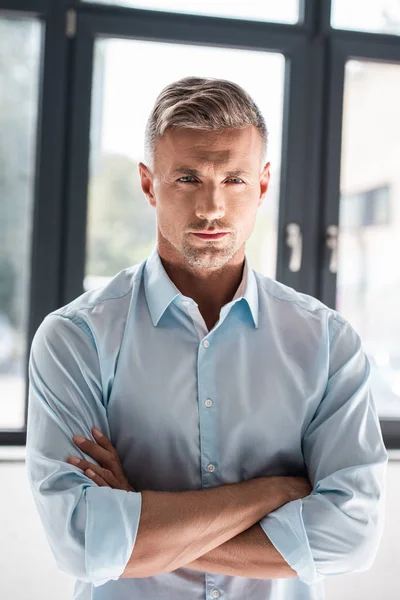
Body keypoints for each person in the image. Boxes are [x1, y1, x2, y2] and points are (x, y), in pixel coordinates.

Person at [26, 77, 387, 600]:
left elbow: (351, 537)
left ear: (263, 184)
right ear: (150, 184)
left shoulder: (328, 344)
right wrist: (275, 492)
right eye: (189, 178)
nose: (211, 208)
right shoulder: (75, 338)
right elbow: (79, 541)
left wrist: (138, 518)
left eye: (234, 179)